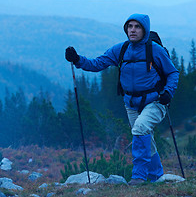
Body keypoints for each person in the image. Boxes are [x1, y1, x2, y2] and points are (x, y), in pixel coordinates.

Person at [65, 13, 179, 185]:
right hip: (131, 104)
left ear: (145, 30)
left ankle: (139, 177)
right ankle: (157, 177)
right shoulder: (121, 49)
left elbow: (172, 73)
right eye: (130, 26)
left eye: (137, 27)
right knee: (145, 136)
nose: (132, 30)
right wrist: (77, 60)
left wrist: (168, 92)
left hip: (156, 101)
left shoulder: (155, 50)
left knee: (140, 128)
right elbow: (97, 64)